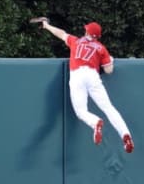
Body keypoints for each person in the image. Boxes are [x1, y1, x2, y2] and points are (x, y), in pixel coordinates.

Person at [40, 18, 134, 153]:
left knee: (81, 111)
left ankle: (95, 122)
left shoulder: (76, 41)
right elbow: (109, 70)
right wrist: (111, 60)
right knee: (109, 108)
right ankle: (126, 135)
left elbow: (61, 33)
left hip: (77, 75)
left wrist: (47, 26)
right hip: (92, 76)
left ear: (87, 32)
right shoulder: (101, 48)